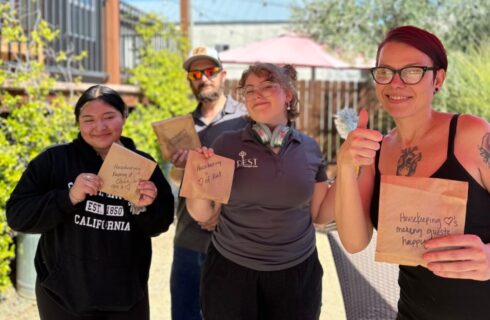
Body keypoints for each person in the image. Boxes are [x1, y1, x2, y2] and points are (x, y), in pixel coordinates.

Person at [335, 25, 490, 320]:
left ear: (438, 79)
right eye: (385, 71)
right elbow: (355, 242)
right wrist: (345, 164)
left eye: (412, 71)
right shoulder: (375, 151)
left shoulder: (471, 135)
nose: (396, 83)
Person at [6, 85, 175, 320]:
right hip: (62, 297)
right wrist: (68, 197)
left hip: (126, 298)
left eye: (109, 117)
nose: (99, 127)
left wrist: (145, 206)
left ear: (124, 116)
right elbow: (17, 216)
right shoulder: (53, 161)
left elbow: (160, 225)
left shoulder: (143, 165)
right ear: (77, 123)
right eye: (88, 119)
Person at [186, 62, 335, 320]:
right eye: (250, 90)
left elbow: (320, 215)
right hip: (231, 273)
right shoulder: (226, 144)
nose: (257, 95)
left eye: (267, 86)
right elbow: (201, 213)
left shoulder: (310, 148)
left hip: (297, 273)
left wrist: (348, 170)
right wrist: (198, 180)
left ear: (288, 95)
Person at [169, 46, 248, 320]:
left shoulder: (247, 121)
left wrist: (222, 211)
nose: (204, 78)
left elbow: (256, 178)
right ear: (190, 79)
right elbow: (177, 181)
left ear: (223, 75)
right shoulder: (182, 127)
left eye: (210, 71)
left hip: (234, 244)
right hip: (188, 240)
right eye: (196, 73)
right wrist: (180, 168)